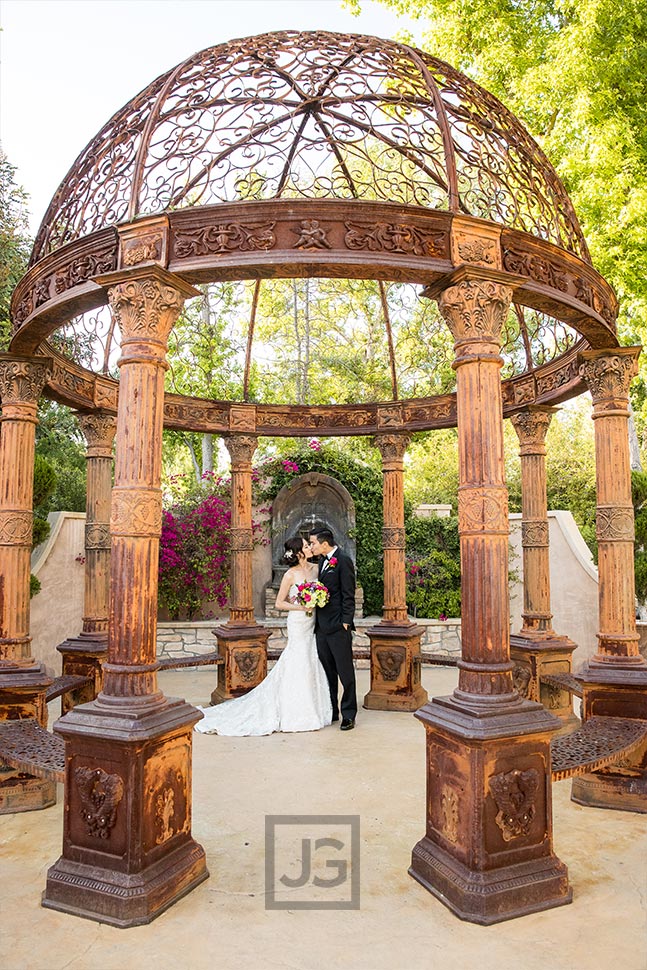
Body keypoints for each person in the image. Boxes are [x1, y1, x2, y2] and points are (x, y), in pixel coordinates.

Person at [195, 537, 332, 736]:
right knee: (298, 658)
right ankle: (295, 712)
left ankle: (314, 708)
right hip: (298, 620)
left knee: (310, 658)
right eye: (305, 546)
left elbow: (322, 590)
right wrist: (302, 606)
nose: (309, 547)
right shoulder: (290, 575)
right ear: (299, 553)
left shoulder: (316, 569)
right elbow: (279, 603)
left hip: (313, 622)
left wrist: (317, 599)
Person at [308, 528, 357, 731]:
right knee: (327, 672)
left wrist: (346, 622)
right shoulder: (321, 561)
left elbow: (348, 593)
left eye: (313, 543)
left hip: (338, 626)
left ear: (324, 543)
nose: (311, 546)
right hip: (321, 627)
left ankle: (348, 714)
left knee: (345, 672)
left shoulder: (343, 560)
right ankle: (332, 711)